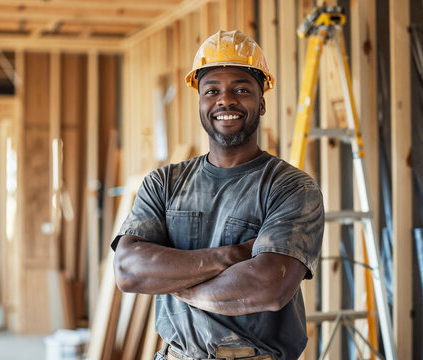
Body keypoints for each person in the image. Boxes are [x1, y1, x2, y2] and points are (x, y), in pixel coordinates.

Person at [112, 30, 325, 360]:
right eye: (212, 91)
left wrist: (173, 281)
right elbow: (128, 270)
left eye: (242, 89)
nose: (226, 100)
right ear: (201, 103)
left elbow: (268, 287)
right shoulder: (164, 183)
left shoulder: (291, 187)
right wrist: (232, 255)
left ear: (262, 102)